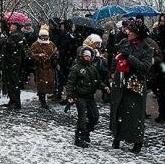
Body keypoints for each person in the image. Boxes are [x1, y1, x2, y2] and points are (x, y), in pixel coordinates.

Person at [109, 21, 153, 153]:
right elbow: (115, 58)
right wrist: (111, 73)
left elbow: (144, 67)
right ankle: (117, 137)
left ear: (138, 34)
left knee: (135, 114)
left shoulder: (147, 48)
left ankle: (137, 140)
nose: (128, 33)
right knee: (119, 110)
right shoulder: (124, 43)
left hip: (135, 84)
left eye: (131, 31)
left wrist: (130, 58)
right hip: (120, 80)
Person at [65, 46, 109, 148]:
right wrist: (70, 96)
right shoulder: (76, 68)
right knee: (82, 118)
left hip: (90, 96)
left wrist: (104, 87)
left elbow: (97, 81)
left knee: (95, 116)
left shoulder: (92, 68)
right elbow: (70, 83)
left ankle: (86, 132)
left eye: (89, 56)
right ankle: (80, 136)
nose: (87, 58)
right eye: (85, 56)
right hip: (80, 97)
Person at [29, 25, 59, 109]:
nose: (44, 37)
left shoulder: (51, 44)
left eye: (46, 36)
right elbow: (31, 54)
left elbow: (56, 52)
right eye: (43, 36)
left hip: (50, 68)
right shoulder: (35, 44)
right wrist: (39, 56)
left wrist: (54, 56)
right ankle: (42, 100)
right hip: (40, 68)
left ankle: (45, 97)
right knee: (41, 84)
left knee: (49, 84)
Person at [1, 21, 24, 109]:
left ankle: (16, 101)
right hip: (9, 61)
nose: (11, 27)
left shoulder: (17, 35)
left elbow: (9, 45)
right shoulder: (13, 35)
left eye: (13, 26)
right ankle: (12, 99)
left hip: (13, 62)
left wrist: (3, 40)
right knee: (9, 82)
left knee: (13, 82)